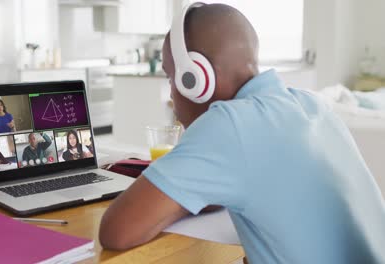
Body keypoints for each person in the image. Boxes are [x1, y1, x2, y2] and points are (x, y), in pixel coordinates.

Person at [99, 3, 385, 264]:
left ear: (195, 78)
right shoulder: (310, 104)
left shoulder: (229, 124)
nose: (173, 92)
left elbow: (117, 230)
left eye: (172, 77)